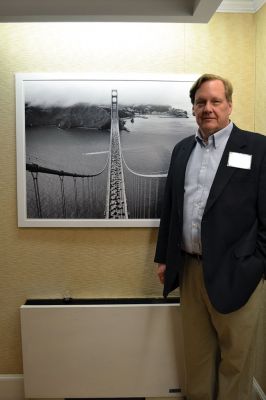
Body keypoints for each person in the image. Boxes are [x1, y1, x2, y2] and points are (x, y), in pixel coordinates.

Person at [154, 73, 266, 400]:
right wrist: (164, 257)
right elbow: (171, 209)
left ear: (229, 105)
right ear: (192, 108)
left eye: (216, 101)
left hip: (238, 272)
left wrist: (257, 264)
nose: (208, 108)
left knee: (236, 360)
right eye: (201, 102)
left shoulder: (257, 148)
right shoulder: (181, 150)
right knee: (197, 358)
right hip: (190, 270)